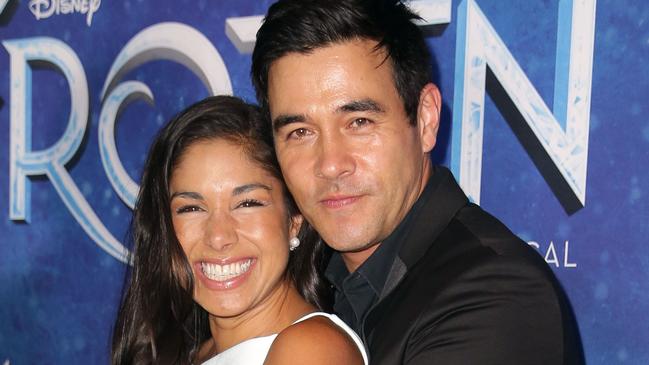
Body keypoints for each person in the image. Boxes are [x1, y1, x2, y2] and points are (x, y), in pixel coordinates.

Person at [251, 0, 585, 364]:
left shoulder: (495, 296)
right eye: (300, 132)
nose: (331, 165)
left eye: (359, 122)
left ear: (425, 120)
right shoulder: (314, 283)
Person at [111, 96, 367, 365]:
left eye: (247, 203)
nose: (218, 236)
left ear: (294, 218)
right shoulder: (187, 353)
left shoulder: (313, 351)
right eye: (191, 208)